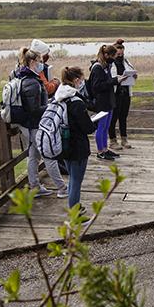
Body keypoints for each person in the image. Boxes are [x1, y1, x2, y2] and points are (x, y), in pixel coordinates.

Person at [12, 47, 68, 198]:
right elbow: (34, 109)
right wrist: (51, 106)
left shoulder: (26, 77)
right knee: (48, 155)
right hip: (34, 125)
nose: (42, 64)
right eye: (40, 61)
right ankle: (62, 188)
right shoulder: (31, 82)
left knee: (34, 155)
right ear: (32, 62)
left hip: (31, 125)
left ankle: (35, 187)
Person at [56, 66, 96, 212]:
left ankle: (74, 207)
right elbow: (88, 128)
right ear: (76, 80)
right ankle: (74, 211)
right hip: (78, 146)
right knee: (76, 181)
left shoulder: (59, 97)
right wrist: (94, 122)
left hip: (64, 143)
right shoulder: (76, 102)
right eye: (81, 78)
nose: (83, 81)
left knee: (72, 178)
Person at [88, 44, 130, 160]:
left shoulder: (105, 66)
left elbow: (106, 82)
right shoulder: (97, 68)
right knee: (101, 127)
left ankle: (105, 149)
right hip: (102, 102)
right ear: (106, 55)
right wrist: (115, 80)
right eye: (113, 56)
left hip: (109, 100)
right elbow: (96, 86)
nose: (115, 58)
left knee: (106, 126)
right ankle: (100, 151)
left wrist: (116, 80)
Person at [108, 39, 138, 150]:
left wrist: (134, 76)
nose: (120, 53)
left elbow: (132, 71)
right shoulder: (110, 63)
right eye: (118, 50)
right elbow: (108, 78)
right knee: (113, 117)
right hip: (115, 93)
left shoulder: (126, 61)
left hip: (126, 92)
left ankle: (124, 139)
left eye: (121, 50)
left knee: (123, 117)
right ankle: (112, 140)